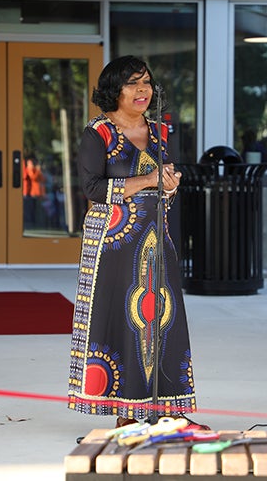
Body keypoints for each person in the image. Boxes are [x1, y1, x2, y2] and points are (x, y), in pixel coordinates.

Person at [67, 56, 199, 428]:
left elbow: (164, 181)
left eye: (146, 82)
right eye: (132, 84)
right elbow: (92, 189)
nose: (143, 90)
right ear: (115, 90)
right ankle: (126, 414)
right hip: (112, 244)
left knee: (163, 319)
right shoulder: (98, 133)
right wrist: (148, 180)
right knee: (122, 323)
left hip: (157, 239)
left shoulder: (161, 132)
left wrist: (170, 184)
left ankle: (169, 409)